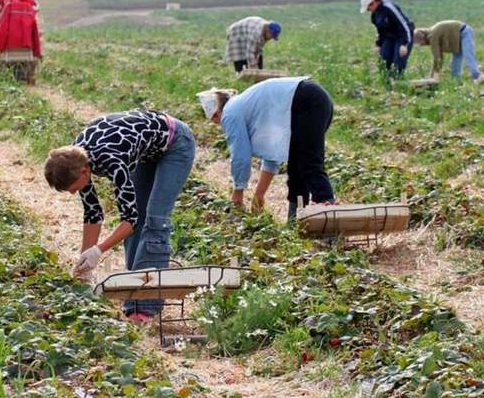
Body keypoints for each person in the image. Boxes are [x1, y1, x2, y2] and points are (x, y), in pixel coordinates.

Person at [44, 110, 196, 323]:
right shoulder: (74, 158)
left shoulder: (112, 160)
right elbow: (93, 213)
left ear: (85, 172)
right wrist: (84, 261)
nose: (72, 192)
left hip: (176, 144)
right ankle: (133, 296)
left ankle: (146, 305)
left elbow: (130, 220)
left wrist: (99, 250)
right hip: (147, 150)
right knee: (139, 219)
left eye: (73, 188)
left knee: (154, 220)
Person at [198, 78, 335, 220]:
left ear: (216, 114)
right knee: (296, 168)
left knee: (309, 164)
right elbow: (272, 156)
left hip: (307, 101)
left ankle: (330, 224)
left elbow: (240, 156)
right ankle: (295, 224)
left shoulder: (230, 113)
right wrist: (259, 195)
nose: (220, 126)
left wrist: (238, 191)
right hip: (313, 98)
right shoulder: (249, 108)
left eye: (216, 122)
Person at [360, 0, 414, 78]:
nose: (368, 11)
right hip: (389, 37)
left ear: (373, 3)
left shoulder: (389, 8)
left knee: (398, 63)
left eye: (368, 8)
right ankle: (387, 85)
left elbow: (404, 25)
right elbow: (381, 31)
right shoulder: (374, 15)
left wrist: (405, 44)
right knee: (383, 62)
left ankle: (398, 85)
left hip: (402, 35)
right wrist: (378, 44)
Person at [414, 21, 482, 83]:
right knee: (455, 63)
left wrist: (434, 75)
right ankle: (456, 81)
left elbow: (438, 58)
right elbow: (439, 56)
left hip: (464, 32)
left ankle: (478, 76)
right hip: (457, 39)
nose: (421, 45)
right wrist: (432, 75)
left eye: (420, 43)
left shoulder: (433, 36)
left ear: (422, 38)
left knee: (468, 56)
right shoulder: (432, 34)